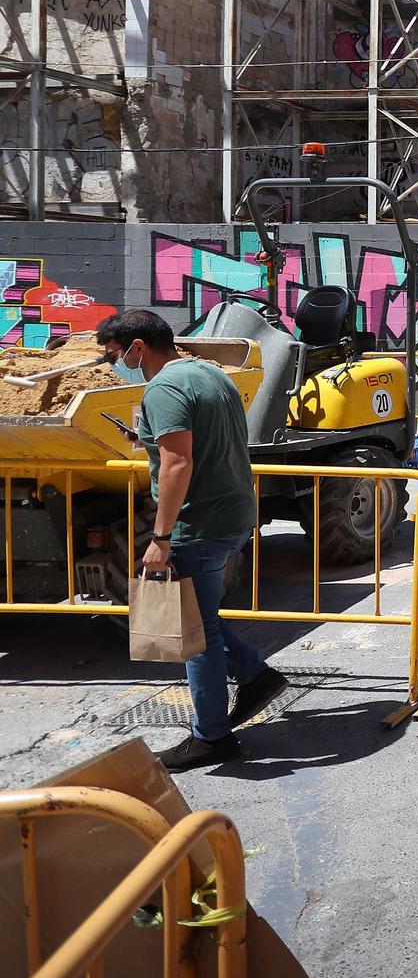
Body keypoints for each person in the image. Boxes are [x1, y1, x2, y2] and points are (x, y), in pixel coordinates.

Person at [97, 309, 288, 772]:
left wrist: (160, 537)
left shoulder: (163, 387)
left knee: (194, 635)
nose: (115, 363)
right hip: (233, 513)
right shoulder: (211, 374)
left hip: (197, 524)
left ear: (138, 347)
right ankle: (256, 676)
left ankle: (212, 737)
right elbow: (203, 441)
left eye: (117, 354)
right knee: (201, 619)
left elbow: (179, 463)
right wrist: (146, 437)